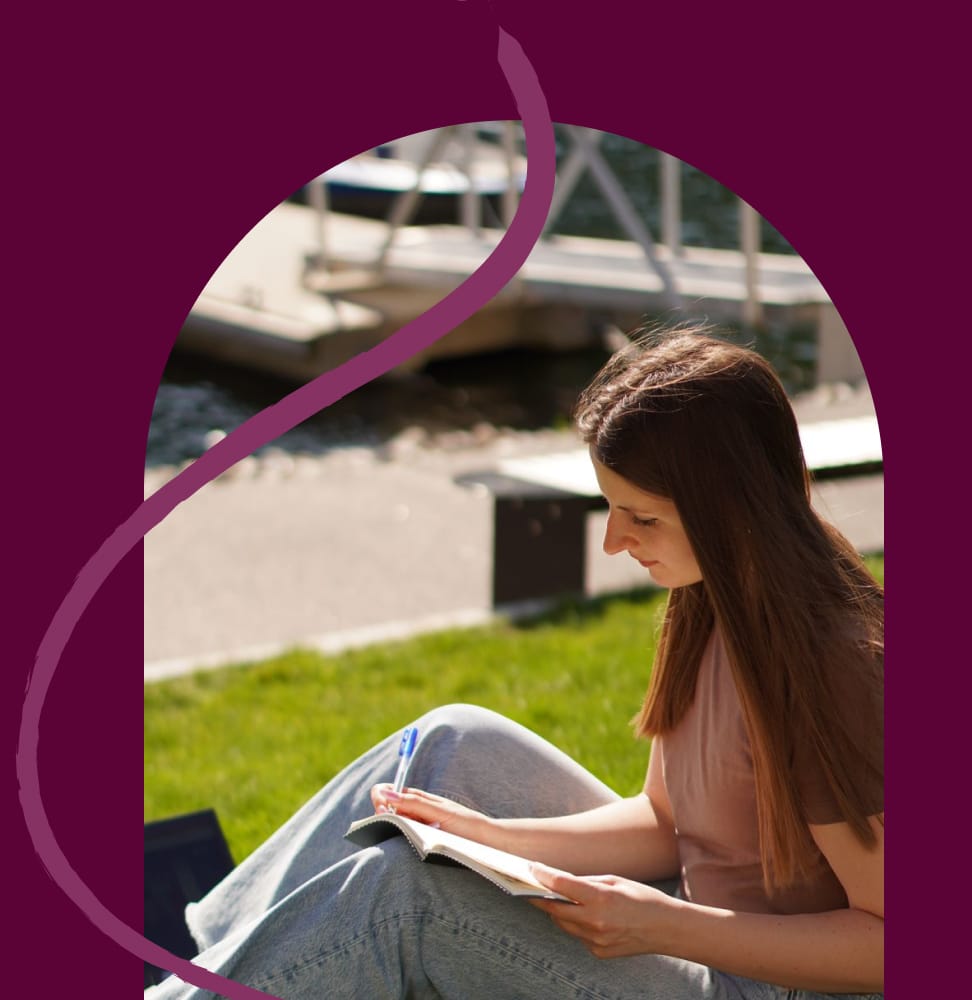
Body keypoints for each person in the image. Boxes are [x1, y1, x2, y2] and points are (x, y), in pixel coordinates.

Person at [146, 326, 884, 999]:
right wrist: (489, 838)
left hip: (765, 985)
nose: (614, 543)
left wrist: (665, 927)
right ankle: (200, 966)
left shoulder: (833, 667)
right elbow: (670, 823)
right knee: (447, 744)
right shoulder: (708, 598)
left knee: (408, 896)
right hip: (702, 925)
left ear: (729, 506)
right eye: (612, 509)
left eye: (643, 518)